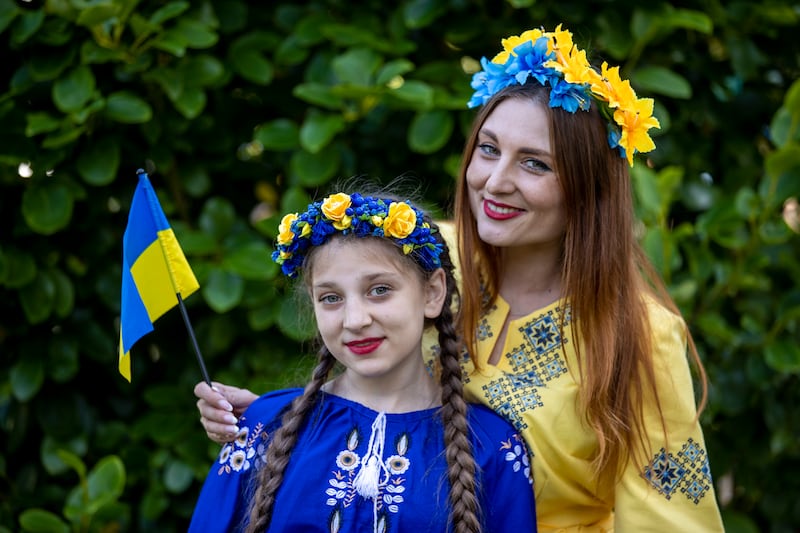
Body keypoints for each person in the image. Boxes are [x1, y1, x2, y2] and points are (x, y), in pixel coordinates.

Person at [194, 25, 725, 531]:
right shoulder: (427, 257)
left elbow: (673, 518)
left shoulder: (638, 335)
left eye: (534, 164)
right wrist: (279, 418)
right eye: (489, 150)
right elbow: (363, 357)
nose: (495, 182)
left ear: (588, 189)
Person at [189, 191, 537, 532]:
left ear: (432, 293)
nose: (354, 319)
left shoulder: (493, 447)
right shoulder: (267, 428)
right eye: (331, 298)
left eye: (380, 290)